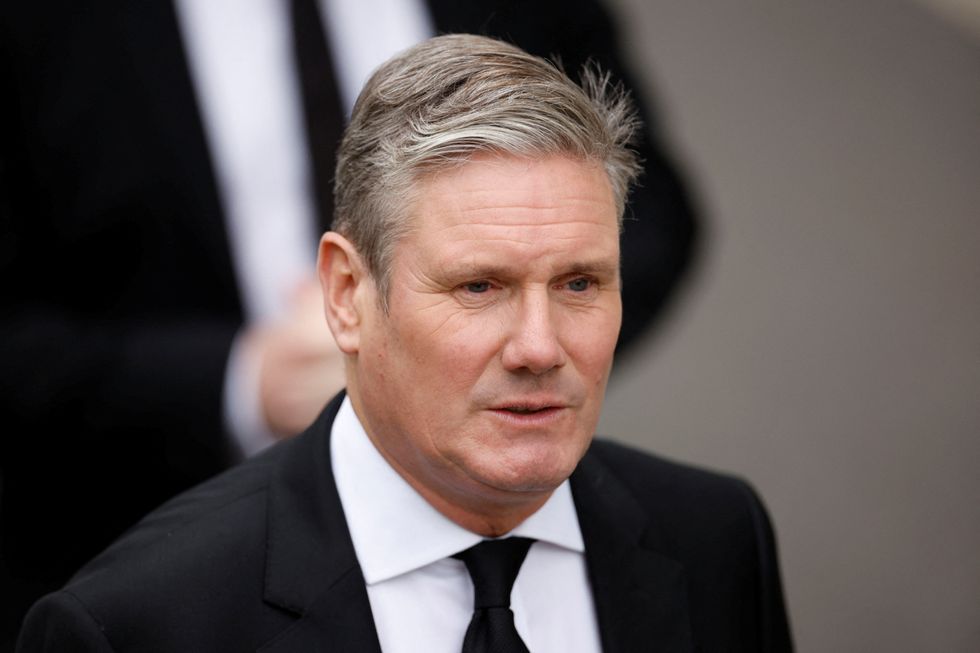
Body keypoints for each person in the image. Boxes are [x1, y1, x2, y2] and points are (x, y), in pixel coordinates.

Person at [17, 35, 789, 652]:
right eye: (478, 286)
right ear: (348, 295)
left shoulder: (718, 540)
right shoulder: (139, 625)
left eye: (580, 283)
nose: (539, 345)